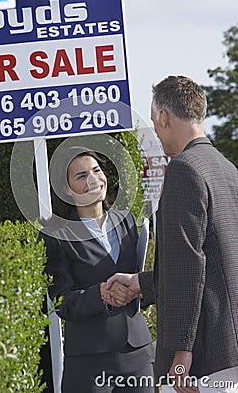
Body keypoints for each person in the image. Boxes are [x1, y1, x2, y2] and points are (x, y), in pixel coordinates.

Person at [105, 75, 238, 392]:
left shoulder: (184, 169)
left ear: (164, 116)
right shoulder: (228, 170)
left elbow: (188, 267)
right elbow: (215, 261)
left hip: (200, 359)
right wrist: (140, 283)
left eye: (154, 119)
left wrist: (182, 352)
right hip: (228, 349)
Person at [39, 145, 154, 393]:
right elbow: (62, 301)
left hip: (137, 353)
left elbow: (142, 285)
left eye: (96, 170)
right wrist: (102, 293)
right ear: (66, 189)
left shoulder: (128, 222)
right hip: (89, 361)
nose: (93, 179)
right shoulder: (56, 236)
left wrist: (140, 288)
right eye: (81, 176)